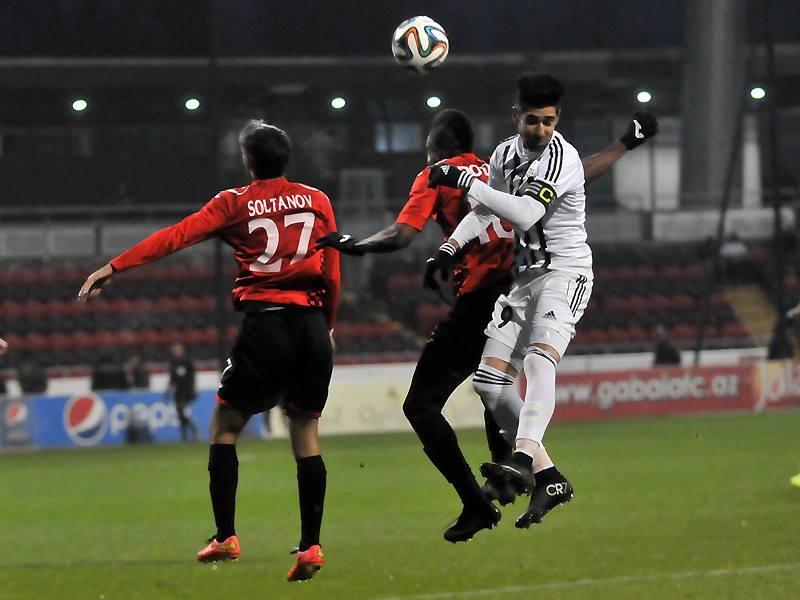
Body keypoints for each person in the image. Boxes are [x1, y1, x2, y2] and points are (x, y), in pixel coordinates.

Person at [318, 103, 657, 541]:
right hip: (521, 282)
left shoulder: (439, 173)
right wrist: (623, 144)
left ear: (433, 147)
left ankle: (478, 502)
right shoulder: (505, 165)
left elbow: (401, 234)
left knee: (421, 405)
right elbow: (580, 172)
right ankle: (514, 473)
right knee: (492, 384)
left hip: (483, 296)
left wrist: (355, 245)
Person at [78, 119, 340, 582]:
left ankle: (225, 535)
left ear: (247, 161)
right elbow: (332, 268)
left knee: (225, 423)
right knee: (305, 430)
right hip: (314, 328)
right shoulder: (317, 199)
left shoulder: (233, 203)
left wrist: (115, 267)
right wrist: (329, 325)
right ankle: (311, 546)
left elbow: (176, 235)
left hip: (267, 324)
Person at [426, 73, 654, 530]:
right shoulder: (504, 155)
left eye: (549, 121)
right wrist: (450, 247)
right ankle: (549, 478)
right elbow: (487, 210)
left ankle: (524, 458)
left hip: (565, 273)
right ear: (516, 116)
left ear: (557, 119)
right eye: (533, 121)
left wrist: (463, 180)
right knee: (488, 384)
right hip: (525, 277)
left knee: (537, 360)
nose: (541, 130)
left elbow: (528, 212)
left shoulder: (560, 157)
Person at [166, 343, 199, 441]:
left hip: (187, 390)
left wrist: (192, 388)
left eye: (177, 350)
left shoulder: (187, 361)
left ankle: (190, 430)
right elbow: (172, 378)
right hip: (178, 391)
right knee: (180, 412)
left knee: (180, 410)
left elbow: (192, 376)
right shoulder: (173, 362)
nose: (176, 352)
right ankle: (188, 431)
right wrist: (168, 389)